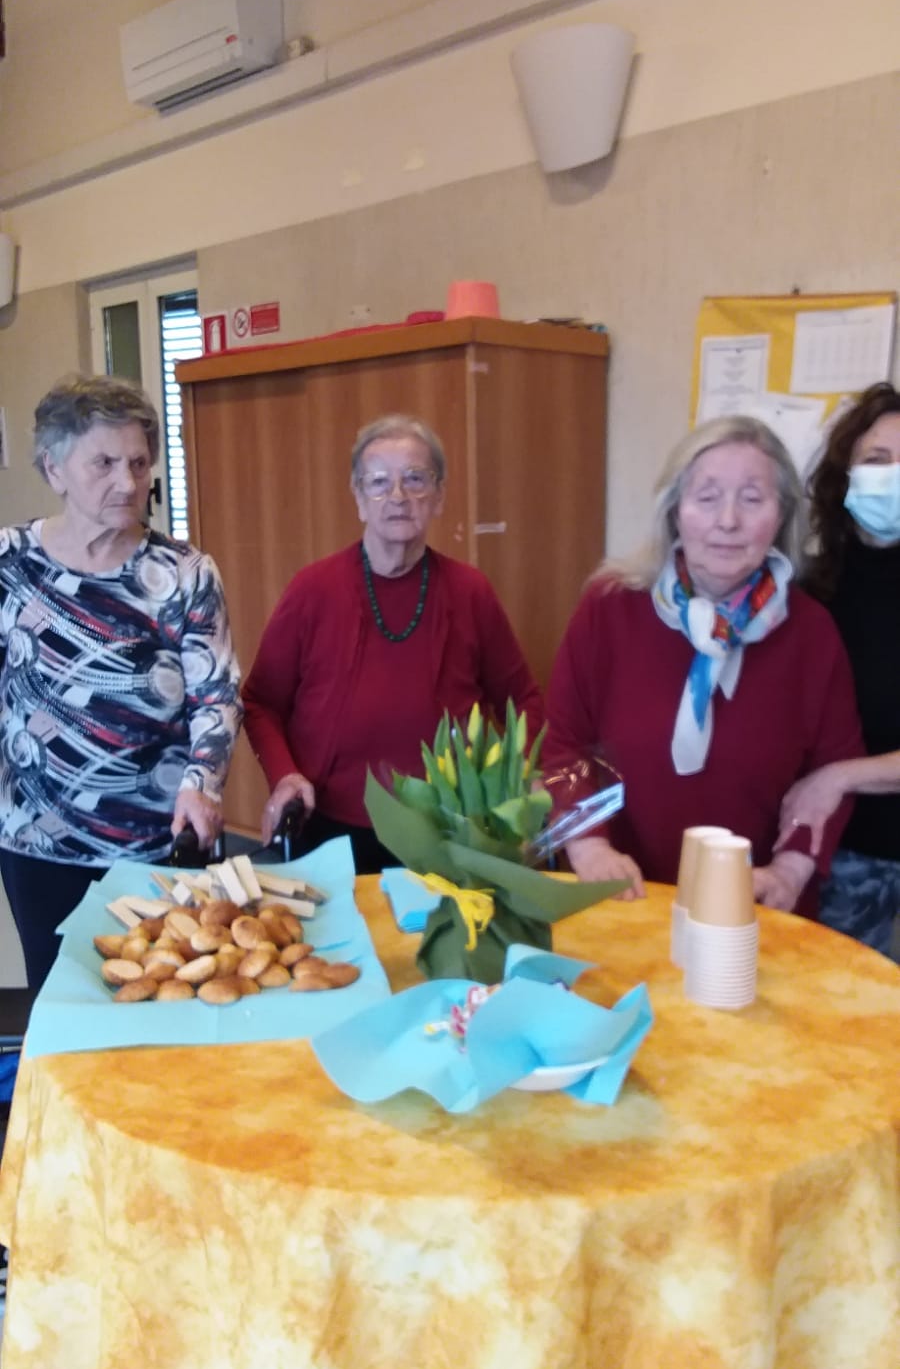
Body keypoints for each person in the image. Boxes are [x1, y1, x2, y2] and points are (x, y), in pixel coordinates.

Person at [543, 414, 863, 916]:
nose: (728, 521)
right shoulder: (609, 608)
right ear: (675, 511)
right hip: (621, 895)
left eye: (752, 499)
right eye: (707, 497)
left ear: (780, 517)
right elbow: (562, 747)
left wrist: (791, 870)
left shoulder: (811, 632)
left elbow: (831, 774)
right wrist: (587, 845)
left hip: (751, 910)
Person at [0, 374, 242, 993]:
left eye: (138, 462)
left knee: (160, 1011)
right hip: (39, 846)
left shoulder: (185, 574)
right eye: (103, 463)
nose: (129, 482)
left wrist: (203, 783)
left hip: (156, 847)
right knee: (61, 1012)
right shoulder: (10, 564)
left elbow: (214, 695)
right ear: (54, 469)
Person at [242, 413, 544, 872]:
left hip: (448, 829)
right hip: (327, 826)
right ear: (359, 498)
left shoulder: (470, 591)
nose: (398, 497)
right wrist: (284, 776)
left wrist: (524, 779)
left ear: (439, 495)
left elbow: (523, 699)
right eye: (379, 482)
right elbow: (260, 701)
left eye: (415, 480)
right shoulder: (313, 589)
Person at [776, 383, 900, 958]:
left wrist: (843, 775)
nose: (893, 475)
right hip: (839, 858)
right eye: (878, 461)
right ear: (843, 474)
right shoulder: (807, 590)